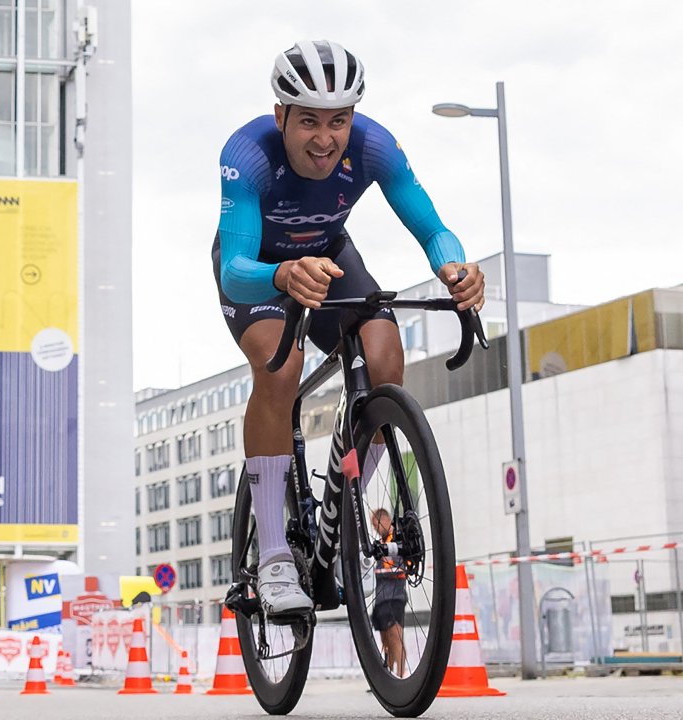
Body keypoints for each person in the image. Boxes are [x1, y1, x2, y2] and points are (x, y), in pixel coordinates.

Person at [213, 40, 485, 616]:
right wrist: (284, 273)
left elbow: (433, 228)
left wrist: (456, 269)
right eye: (308, 120)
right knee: (280, 368)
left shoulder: (375, 147)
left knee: (384, 358)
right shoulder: (248, 153)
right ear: (281, 114)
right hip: (261, 268)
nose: (325, 138)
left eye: (338, 121)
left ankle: (346, 509)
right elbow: (235, 274)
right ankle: (274, 554)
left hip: (329, 256)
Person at [371, 509, 407, 676]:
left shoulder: (397, 540)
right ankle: (389, 674)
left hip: (395, 596)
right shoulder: (382, 542)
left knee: (395, 636)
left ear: (385, 520)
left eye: (377, 524)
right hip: (381, 597)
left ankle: (401, 675)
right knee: (385, 640)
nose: (376, 529)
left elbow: (402, 566)